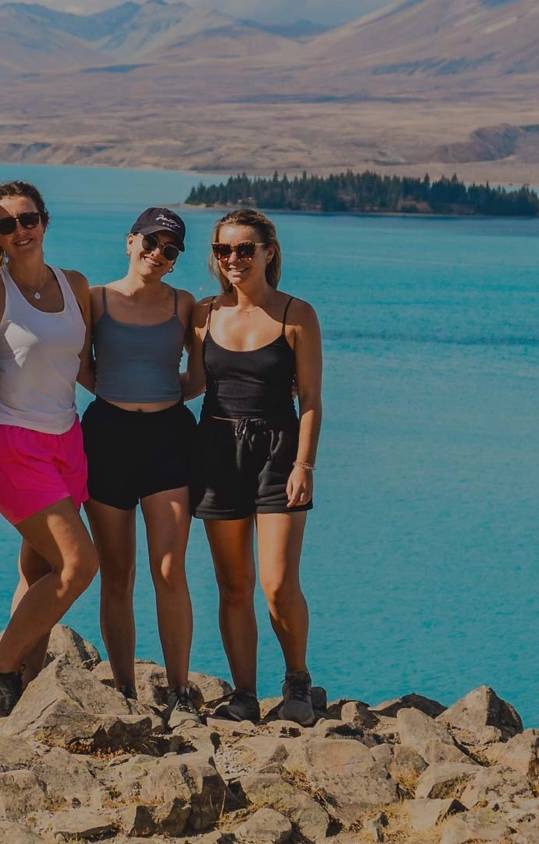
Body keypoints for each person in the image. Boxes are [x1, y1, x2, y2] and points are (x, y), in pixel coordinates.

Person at [0, 181, 99, 717]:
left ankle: (27, 683)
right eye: (6, 223)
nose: (21, 230)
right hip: (13, 441)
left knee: (39, 573)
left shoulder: (76, 285)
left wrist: (152, 396)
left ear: (44, 220)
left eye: (28, 218)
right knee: (79, 564)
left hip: (68, 439)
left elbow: (81, 367)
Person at [188, 208, 324, 726]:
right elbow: (190, 384)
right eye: (224, 250)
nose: (234, 260)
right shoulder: (202, 314)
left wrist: (304, 464)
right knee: (233, 584)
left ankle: (296, 681)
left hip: (279, 452)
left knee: (277, 582)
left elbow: (310, 398)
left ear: (270, 252)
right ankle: (243, 694)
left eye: (246, 249)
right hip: (216, 450)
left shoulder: (296, 315)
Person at [81, 207, 202, 727]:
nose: (157, 253)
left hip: (169, 438)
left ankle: (180, 691)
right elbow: (80, 365)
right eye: (149, 242)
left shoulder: (184, 305)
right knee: (118, 573)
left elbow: (198, 376)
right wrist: (118, 395)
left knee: (170, 569)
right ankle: (125, 690)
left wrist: (156, 398)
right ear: (129, 241)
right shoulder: (95, 300)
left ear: (175, 262)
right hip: (106, 436)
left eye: (169, 249)